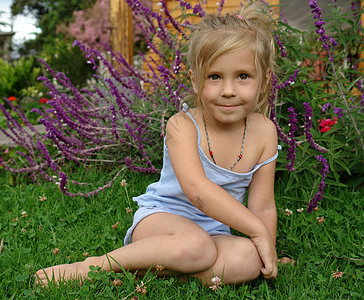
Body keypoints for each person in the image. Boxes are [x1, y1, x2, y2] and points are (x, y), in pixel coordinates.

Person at [36, 1, 278, 287]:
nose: (228, 90)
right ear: (196, 81)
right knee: (196, 247)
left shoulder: (264, 132)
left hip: (214, 233)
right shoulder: (182, 125)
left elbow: (262, 207)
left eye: (243, 77)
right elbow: (197, 191)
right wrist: (256, 230)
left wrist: (268, 248)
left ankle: (162, 271)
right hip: (162, 221)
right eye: (215, 77)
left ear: (263, 82)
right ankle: (96, 266)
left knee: (247, 259)